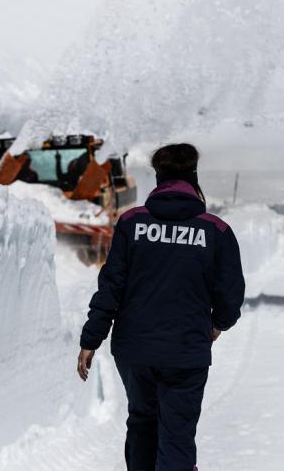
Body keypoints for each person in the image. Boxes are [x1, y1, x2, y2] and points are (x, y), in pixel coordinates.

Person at [77, 143, 246, 471]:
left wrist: (90, 339)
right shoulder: (216, 230)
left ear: (159, 178)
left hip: (134, 351)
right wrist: (217, 324)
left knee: (142, 422)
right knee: (177, 433)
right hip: (186, 352)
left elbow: (111, 287)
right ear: (193, 178)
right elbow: (230, 294)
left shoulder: (131, 223)